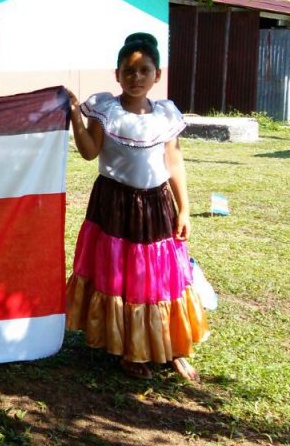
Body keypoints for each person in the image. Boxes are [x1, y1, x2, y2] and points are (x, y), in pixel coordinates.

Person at [65, 32, 209, 382]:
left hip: (157, 205)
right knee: (123, 275)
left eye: (144, 71)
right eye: (129, 72)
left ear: (156, 75)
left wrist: (185, 208)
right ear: (117, 74)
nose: (136, 78)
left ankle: (170, 346)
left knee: (162, 277)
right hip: (114, 203)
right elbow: (89, 152)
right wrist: (75, 116)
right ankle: (131, 349)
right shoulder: (105, 110)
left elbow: (173, 162)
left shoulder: (166, 115)